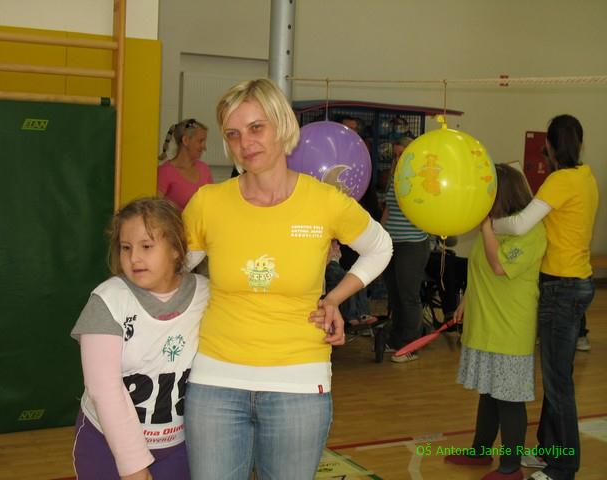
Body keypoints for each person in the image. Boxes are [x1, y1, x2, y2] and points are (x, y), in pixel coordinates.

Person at [181, 78, 392, 479]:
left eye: (256, 128)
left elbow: (380, 247)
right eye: (233, 134)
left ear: (281, 125)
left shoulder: (324, 201)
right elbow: (171, 277)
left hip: (298, 383)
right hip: (216, 382)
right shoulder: (208, 203)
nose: (245, 143)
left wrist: (334, 299)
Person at [71, 198, 210, 480]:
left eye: (146, 246)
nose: (134, 258)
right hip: (106, 446)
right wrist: (133, 466)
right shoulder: (108, 300)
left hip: (179, 448)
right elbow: (104, 389)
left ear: (175, 249)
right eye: (126, 247)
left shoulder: (207, 295)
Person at [492, 115, 598, 480]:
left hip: (562, 288)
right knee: (558, 377)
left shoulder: (561, 180)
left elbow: (521, 223)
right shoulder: (585, 177)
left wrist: (487, 224)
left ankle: (563, 467)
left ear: (549, 147)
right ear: (579, 145)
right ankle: (551, 451)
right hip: (576, 283)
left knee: (558, 383)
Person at [444, 164, 547, 480]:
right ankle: (480, 452)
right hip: (484, 325)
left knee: (509, 399)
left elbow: (499, 266)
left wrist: (486, 227)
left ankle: (511, 467)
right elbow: (480, 270)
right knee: (489, 393)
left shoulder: (531, 232)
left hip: (509, 329)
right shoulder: (494, 229)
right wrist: (466, 301)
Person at [380, 136, 430, 363]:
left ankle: (411, 345)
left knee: (408, 295)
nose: (398, 158)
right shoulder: (394, 177)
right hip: (392, 243)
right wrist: (380, 235)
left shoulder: (421, 179)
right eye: (396, 155)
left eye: (403, 154)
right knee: (395, 294)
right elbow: (388, 209)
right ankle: (397, 339)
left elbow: (426, 211)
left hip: (412, 244)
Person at [157, 118, 213, 211]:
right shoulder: (165, 172)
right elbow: (155, 210)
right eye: (200, 141)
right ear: (186, 140)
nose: (204, 147)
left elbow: (211, 204)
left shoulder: (204, 169)